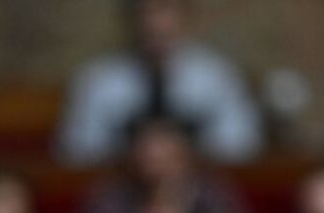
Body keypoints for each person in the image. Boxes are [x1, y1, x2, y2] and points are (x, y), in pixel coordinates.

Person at [57, 0, 261, 166]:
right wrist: (139, 156)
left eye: (164, 9)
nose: (153, 22)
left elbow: (241, 145)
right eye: (145, 11)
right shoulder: (98, 80)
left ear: (186, 17)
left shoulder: (217, 77)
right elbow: (78, 149)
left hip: (197, 189)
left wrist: (180, 156)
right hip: (123, 192)